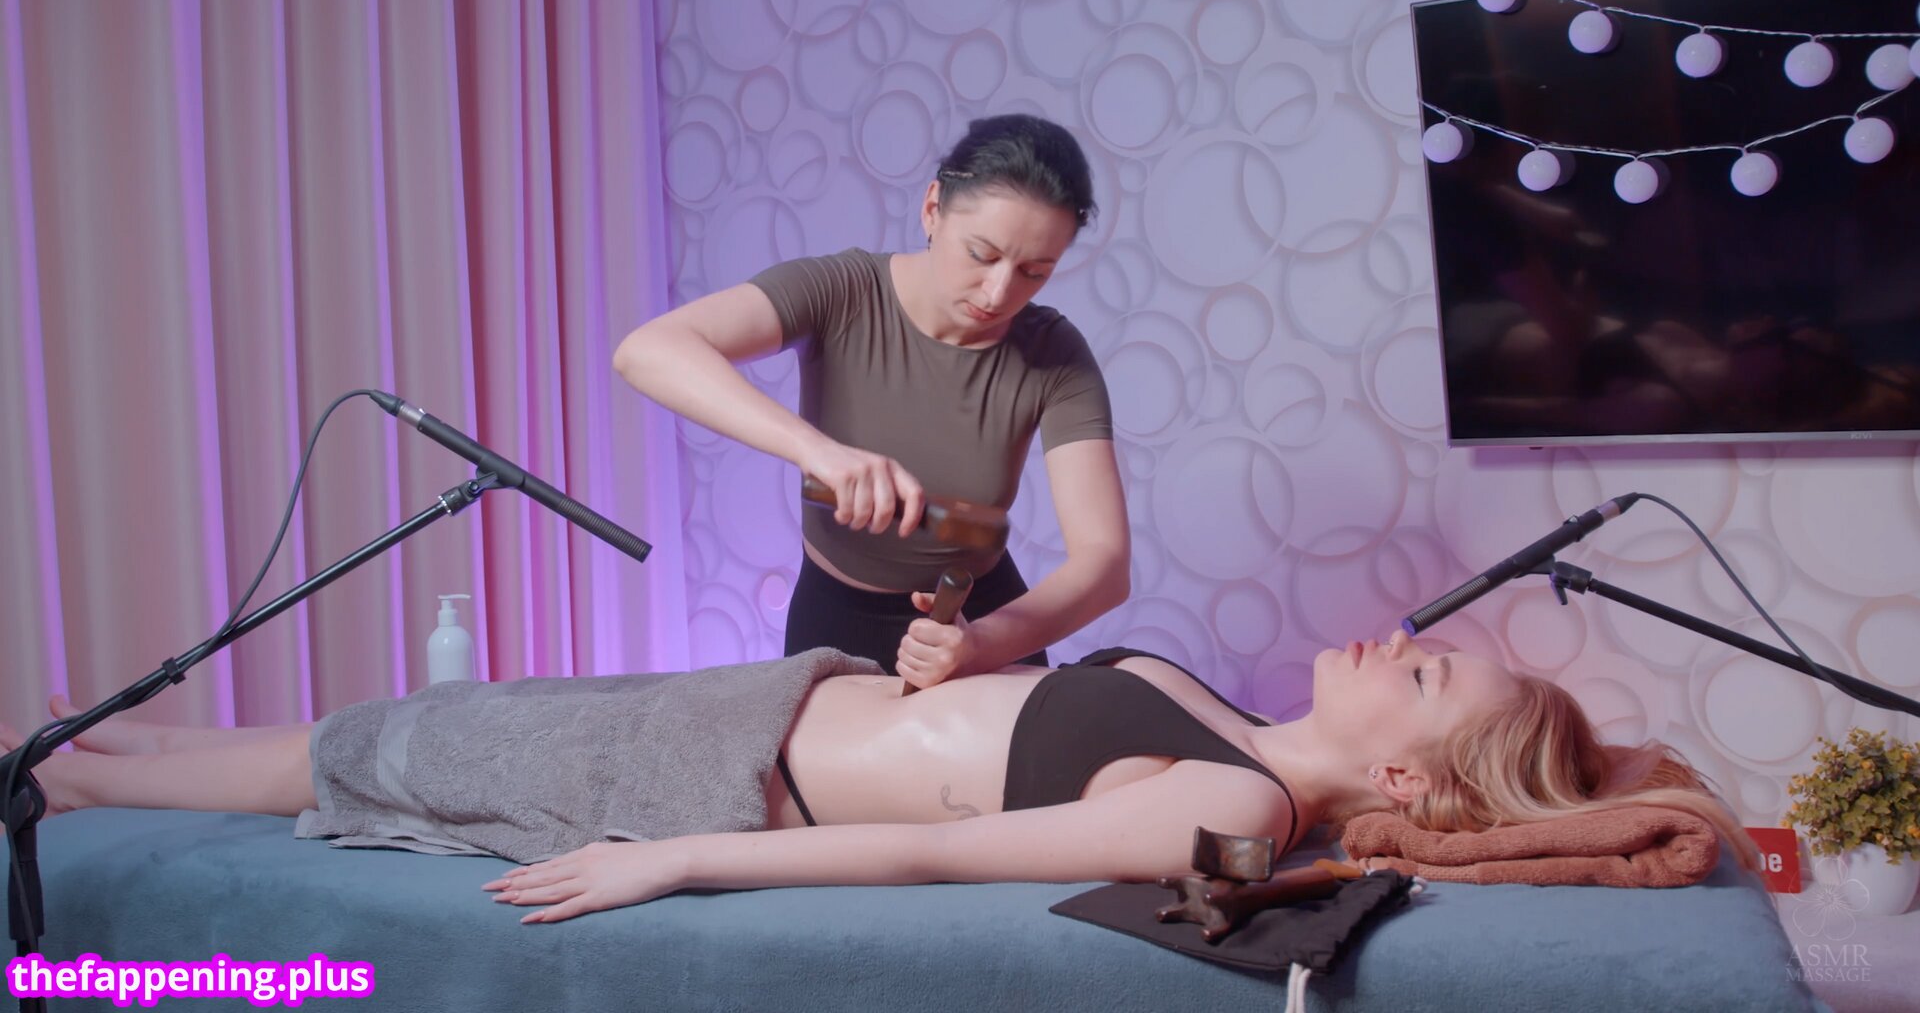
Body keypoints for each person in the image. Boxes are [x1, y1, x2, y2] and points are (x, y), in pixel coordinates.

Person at [8, 631, 1757, 925]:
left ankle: (64, 786)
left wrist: (674, 861)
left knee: (360, 759)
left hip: (705, 771)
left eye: (1428, 671)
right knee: (378, 726)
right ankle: (88, 756)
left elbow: (942, 857)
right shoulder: (1215, 707)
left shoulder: (1239, 809)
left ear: (1403, 763)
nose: (1399, 636)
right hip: (749, 693)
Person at [612, 114, 1128, 689]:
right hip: (835, 621)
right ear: (932, 209)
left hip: (978, 624)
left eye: (1034, 271)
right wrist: (819, 452)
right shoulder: (842, 292)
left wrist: (980, 644)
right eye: (982, 254)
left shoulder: (1055, 353)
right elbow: (647, 351)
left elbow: (1105, 563)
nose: (999, 292)